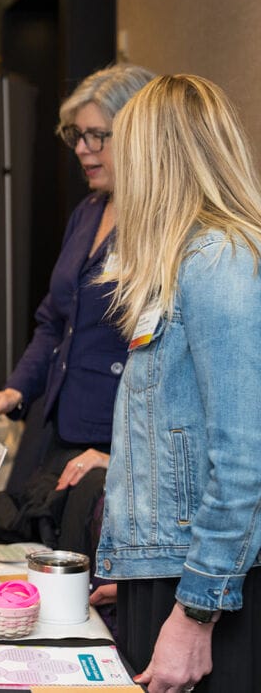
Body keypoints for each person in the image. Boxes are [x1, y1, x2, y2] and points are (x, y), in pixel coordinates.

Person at [97, 74, 261, 692]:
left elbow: (245, 458)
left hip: (211, 587)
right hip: (175, 570)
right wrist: (139, 569)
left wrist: (195, 611)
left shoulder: (220, 261)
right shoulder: (181, 260)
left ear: (155, 160)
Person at [0, 65, 154, 555]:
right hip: (57, 428)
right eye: (77, 136)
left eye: (97, 136)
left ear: (139, 133)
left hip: (117, 443)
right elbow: (55, 321)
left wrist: (130, 455)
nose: (81, 149)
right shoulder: (88, 212)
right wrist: (16, 389)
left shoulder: (160, 226)